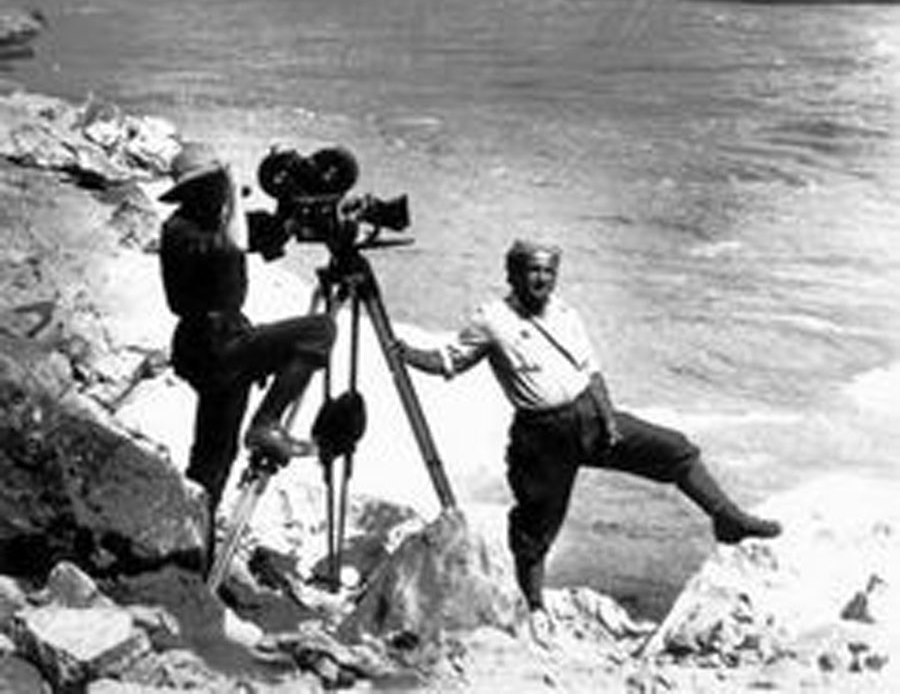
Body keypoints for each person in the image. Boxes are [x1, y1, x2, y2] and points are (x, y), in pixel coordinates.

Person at [396, 238, 781, 634]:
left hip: (592, 417)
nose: (542, 278)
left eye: (549, 271)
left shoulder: (565, 313)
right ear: (512, 274)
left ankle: (727, 518)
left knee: (674, 450)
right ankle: (534, 607)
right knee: (535, 526)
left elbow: (591, 370)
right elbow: (449, 360)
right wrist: (407, 354)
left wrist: (609, 419)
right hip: (541, 435)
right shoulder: (491, 319)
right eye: (533, 270)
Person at [158, 140, 336, 555]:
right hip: (214, 345)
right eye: (217, 185)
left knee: (214, 460)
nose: (224, 194)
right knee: (320, 330)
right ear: (201, 189)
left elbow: (265, 236)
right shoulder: (181, 230)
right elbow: (236, 243)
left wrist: (293, 214)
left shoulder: (211, 223)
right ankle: (267, 423)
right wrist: (234, 181)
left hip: (221, 345)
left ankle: (191, 551)